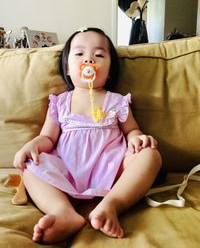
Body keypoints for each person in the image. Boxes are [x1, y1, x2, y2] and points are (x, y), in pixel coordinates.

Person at [13, 27, 162, 244]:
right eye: (79, 54)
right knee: (29, 164)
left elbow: (131, 130)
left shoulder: (117, 101)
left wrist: (137, 138)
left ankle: (111, 205)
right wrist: (33, 144)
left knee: (151, 156)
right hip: (66, 169)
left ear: (110, 70)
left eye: (99, 55)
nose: (89, 60)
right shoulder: (60, 102)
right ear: (68, 68)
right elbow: (48, 138)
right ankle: (62, 212)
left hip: (110, 169)